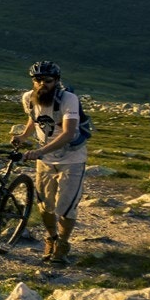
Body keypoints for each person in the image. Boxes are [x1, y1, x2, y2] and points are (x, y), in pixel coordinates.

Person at [12, 60, 88, 265]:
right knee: (45, 206)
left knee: (66, 207)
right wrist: (23, 136)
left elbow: (69, 132)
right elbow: (33, 120)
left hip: (71, 159)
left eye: (48, 80)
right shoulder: (29, 98)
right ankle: (51, 238)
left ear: (56, 81)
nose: (42, 84)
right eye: (37, 80)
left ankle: (62, 245)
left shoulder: (68, 99)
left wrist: (39, 151)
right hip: (44, 159)